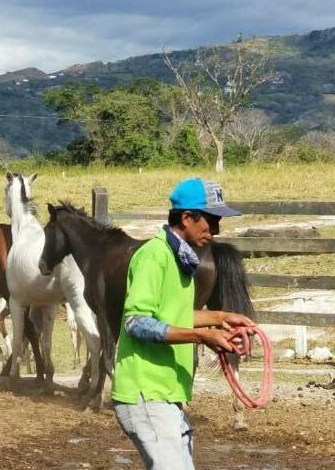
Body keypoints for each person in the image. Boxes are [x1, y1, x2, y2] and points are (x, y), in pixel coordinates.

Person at [111, 177, 256, 470]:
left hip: (165, 394)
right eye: (211, 222)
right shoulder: (155, 256)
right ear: (187, 218)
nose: (215, 232)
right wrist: (202, 337)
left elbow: (174, 315)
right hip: (145, 392)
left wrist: (219, 318)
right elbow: (136, 322)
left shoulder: (181, 260)